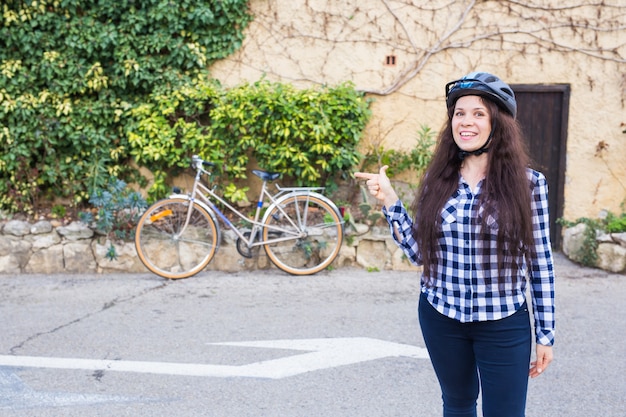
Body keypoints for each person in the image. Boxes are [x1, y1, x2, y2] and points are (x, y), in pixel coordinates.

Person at [355, 71, 555, 417]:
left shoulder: (530, 185)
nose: (466, 121)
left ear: (498, 123)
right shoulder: (438, 178)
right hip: (441, 315)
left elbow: (540, 262)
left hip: (502, 320)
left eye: (478, 113)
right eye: (459, 113)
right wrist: (390, 200)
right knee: (458, 404)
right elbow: (420, 251)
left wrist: (545, 334)